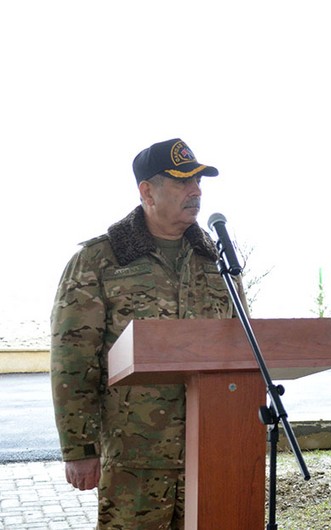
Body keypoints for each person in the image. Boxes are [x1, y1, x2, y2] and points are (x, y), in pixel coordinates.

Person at [50, 138, 246, 529]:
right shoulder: (99, 261)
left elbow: (243, 346)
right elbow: (73, 360)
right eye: (182, 182)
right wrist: (79, 448)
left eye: (198, 182)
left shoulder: (217, 261)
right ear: (147, 191)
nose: (196, 191)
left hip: (210, 449)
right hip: (134, 456)